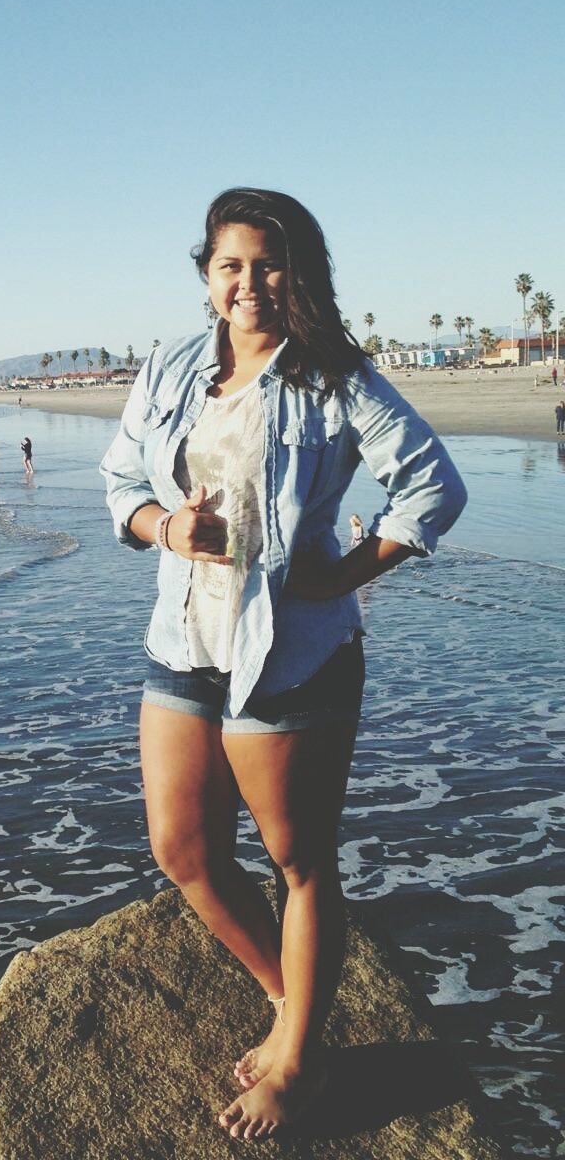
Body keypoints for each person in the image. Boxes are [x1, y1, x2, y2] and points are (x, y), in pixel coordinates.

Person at [100, 188, 467, 1142]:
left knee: (298, 863)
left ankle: (298, 1058)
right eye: (232, 265)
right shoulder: (173, 367)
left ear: (296, 275)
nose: (250, 283)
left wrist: (342, 574)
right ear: (207, 275)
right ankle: (294, 1004)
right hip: (186, 640)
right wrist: (164, 525)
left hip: (292, 654)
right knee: (183, 852)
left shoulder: (333, 377)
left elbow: (432, 484)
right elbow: (122, 479)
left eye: (269, 265)